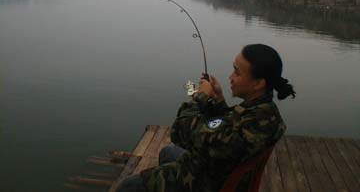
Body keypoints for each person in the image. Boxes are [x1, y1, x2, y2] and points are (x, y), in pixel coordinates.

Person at [114, 43, 295, 192]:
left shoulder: (247, 127)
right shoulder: (265, 112)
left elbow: (181, 133)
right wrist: (218, 101)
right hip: (221, 168)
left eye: (237, 72)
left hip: (207, 181)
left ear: (258, 83)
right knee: (167, 152)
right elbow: (227, 128)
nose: (230, 77)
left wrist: (199, 97)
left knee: (129, 186)